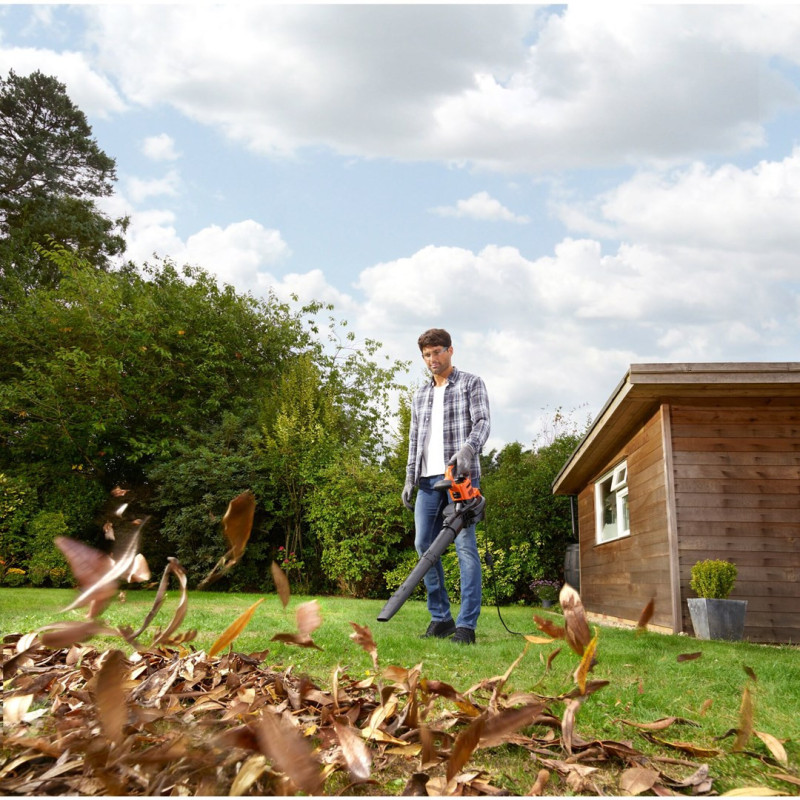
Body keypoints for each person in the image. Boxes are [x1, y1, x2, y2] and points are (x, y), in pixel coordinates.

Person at [402, 328, 490, 644]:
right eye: (426, 355)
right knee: (423, 545)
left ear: (450, 350)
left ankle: (466, 625)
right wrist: (410, 478)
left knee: (465, 548)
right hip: (427, 482)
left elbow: (483, 422)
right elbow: (414, 440)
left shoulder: (470, 383)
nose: (432, 359)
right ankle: (441, 619)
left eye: (437, 352)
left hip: (459, 479)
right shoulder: (420, 395)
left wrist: (468, 449)